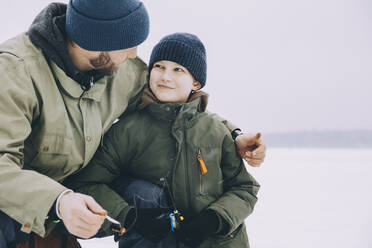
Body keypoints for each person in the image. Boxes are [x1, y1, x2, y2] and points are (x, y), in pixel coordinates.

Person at [0, 0, 265, 247]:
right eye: (126, 45)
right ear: (94, 40)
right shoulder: (15, 71)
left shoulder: (121, 68)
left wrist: (233, 134)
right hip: (21, 199)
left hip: (77, 194)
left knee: (147, 196)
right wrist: (59, 202)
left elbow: (179, 110)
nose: (135, 55)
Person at [67, 33, 260, 248]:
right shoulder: (128, 130)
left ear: (195, 81)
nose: (165, 76)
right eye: (159, 66)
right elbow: (87, 183)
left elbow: (244, 188)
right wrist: (130, 216)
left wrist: (214, 220)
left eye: (178, 69)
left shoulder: (216, 130)